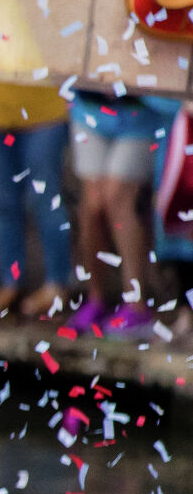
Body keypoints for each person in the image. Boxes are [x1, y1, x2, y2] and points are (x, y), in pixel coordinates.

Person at [0, 81, 72, 318]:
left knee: (46, 200)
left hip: (44, 110)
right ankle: (11, 283)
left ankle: (57, 283)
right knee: (3, 205)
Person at [67, 91, 172, 334]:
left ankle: (136, 305)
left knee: (119, 195)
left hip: (142, 110)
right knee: (93, 203)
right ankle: (95, 299)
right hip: (89, 106)